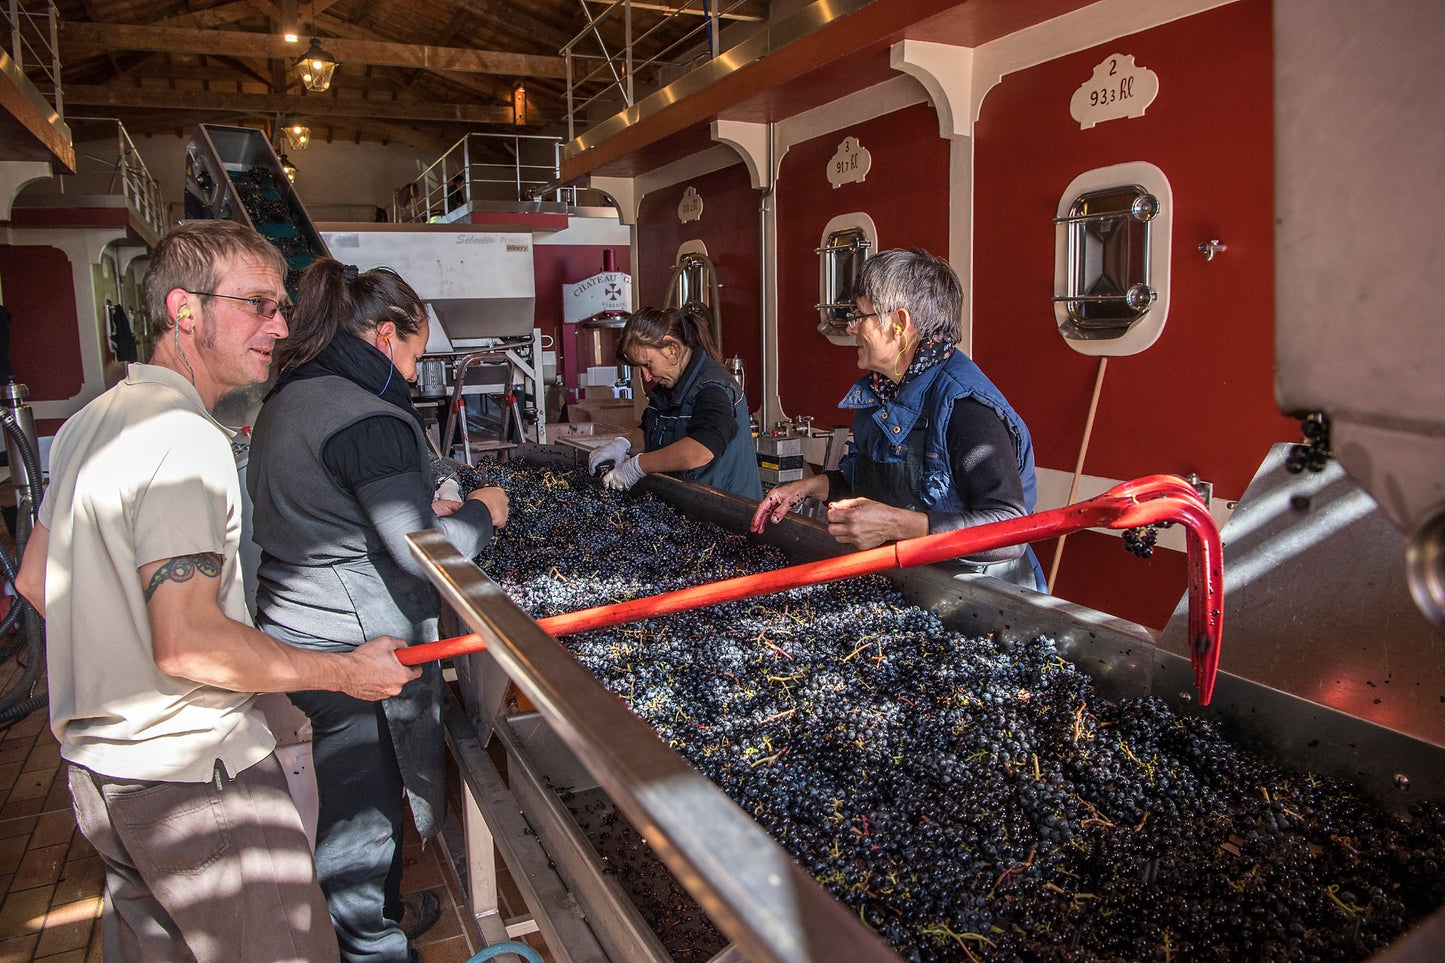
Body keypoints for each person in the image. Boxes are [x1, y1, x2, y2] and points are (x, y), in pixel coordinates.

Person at [14, 220, 421, 962]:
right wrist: (345, 672)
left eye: (280, 306)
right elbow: (190, 641)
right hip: (196, 780)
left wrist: (132, 671)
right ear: (183, 310)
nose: (279, 325)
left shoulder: (86, 423)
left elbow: (38, 580)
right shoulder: (183, 437)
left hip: (105, 776)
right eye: (256, 304)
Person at [247, 258, 508, 963]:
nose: (417, 375)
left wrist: (426, 495)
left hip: (300, 620)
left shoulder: (297, 389)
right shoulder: (363, 412)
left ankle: (379, 914)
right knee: (362, 802)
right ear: (386, 334)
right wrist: (484, 512)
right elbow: (425, 550)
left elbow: (362, 506)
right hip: (350, 637)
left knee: (360, 783)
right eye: (416, 357)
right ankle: (369, 947)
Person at [750, 248, 1046, 591]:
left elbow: (1009, 532)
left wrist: (895, 523)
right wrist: (807, 488)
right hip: (915, 584)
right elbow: (872, 480)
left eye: (861, 315)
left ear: (899, 325)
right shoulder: (881, 390)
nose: (851, 328)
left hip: (982, 599)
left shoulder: (965, 405)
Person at [587, 305, 763, 500]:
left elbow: (700, 450)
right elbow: (650, 432)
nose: (646, 377)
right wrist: (623, 444)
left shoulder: (714, 388)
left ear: (672, 350)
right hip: (688, 511)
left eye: (647, 364)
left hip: (727, 515)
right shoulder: (668, 387)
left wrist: (639, 466)